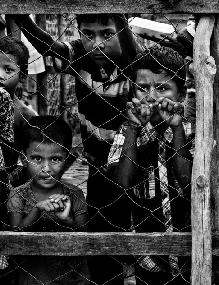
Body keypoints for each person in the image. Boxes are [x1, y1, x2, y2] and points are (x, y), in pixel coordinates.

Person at [7, 13, 142, 283]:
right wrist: (22, 19)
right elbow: (49, 46)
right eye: (89, 34)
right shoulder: (79, 54)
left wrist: (118, 13)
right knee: (104, 229)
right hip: (97, 163)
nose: (98, 43)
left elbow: (126, 39)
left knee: (140, 222)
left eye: (107, 33)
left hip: (135, 158)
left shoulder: (131, 59)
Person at [107, 45, 192, 284]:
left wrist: (176, 129)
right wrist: (134, 130)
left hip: (191, 245)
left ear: (181, 95)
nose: (152, 97)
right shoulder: (126, 132)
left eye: (162, 88)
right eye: (143, 88)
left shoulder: (191, 130)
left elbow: (189, 183)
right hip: (147, 252)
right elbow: (120, 187)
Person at [7, 115, 90, 285]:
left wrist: (67, 220)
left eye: (55, 159)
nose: (46, 169)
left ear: (66, 161)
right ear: (24, 159)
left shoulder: (74, 194)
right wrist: (37, 209)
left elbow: (86, 238)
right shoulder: (18, 194)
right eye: (37, 158)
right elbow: (15, 238)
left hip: (72, 279)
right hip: (32, 280)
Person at [0, 36, 32, 175]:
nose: (0, 75)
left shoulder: (24, 115)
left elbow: (32, 158)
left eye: (8, 70)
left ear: (23, 75)